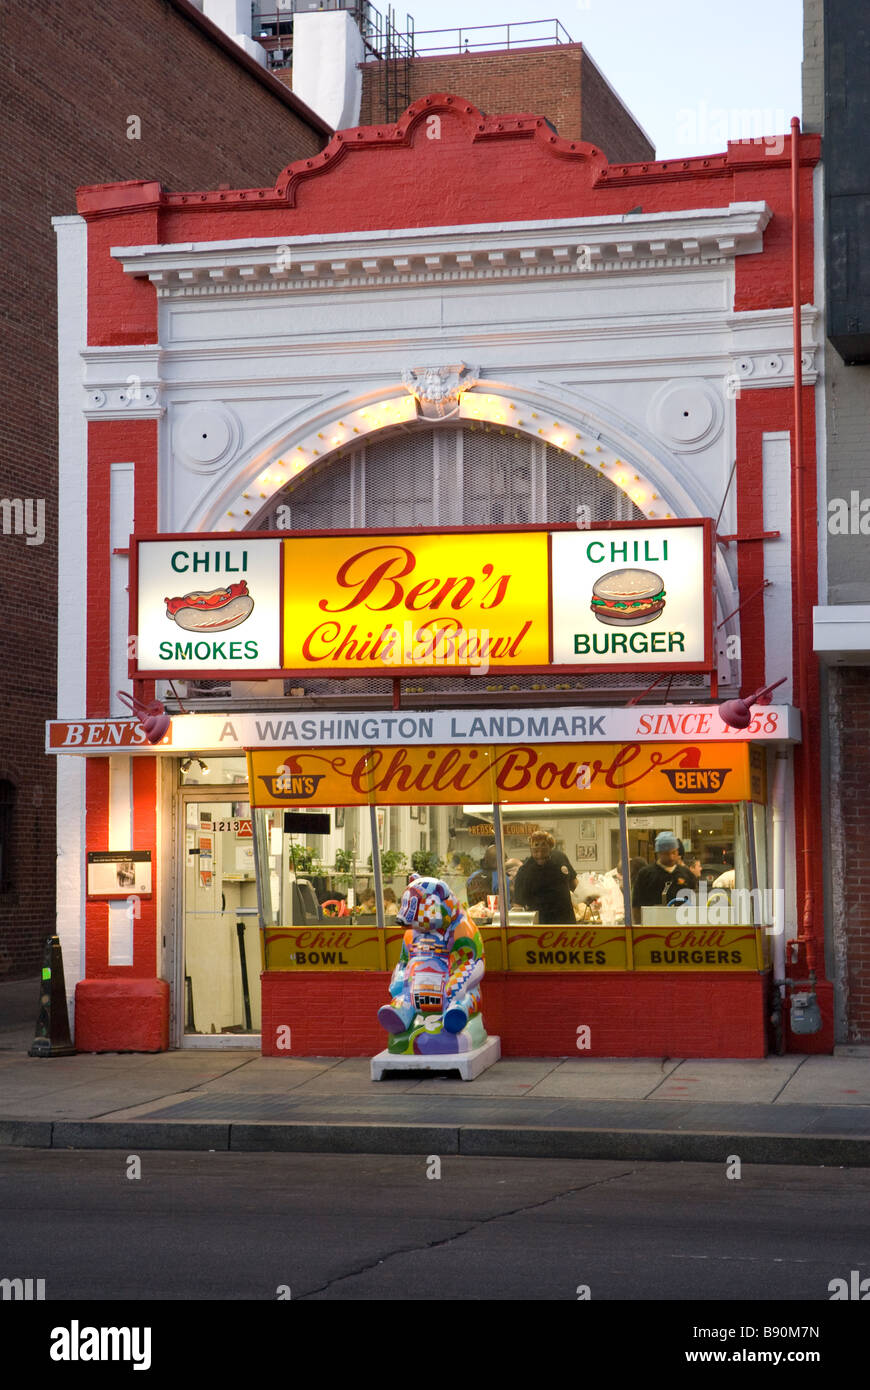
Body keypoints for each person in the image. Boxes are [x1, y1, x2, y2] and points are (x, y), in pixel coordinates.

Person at [512, 832, 578, 925]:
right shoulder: (524, 872)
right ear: (531, 848)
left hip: (567, 923)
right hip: (541, 929)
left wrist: (587, 896)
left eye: (543, 849)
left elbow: (574, 884)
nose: (540, 855)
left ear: (550, 847)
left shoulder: (560, 858)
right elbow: (518, 906)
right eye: (536, 850)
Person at [632, 832, 699, 913]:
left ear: (678, 852)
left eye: (674, 852)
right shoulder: (645, 875)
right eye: (666, 854)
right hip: (653, 923)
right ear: (658, 853)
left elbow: (695, 905)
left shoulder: (687, 874)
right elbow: (636, 907)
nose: (671, 857)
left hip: (682, 923)